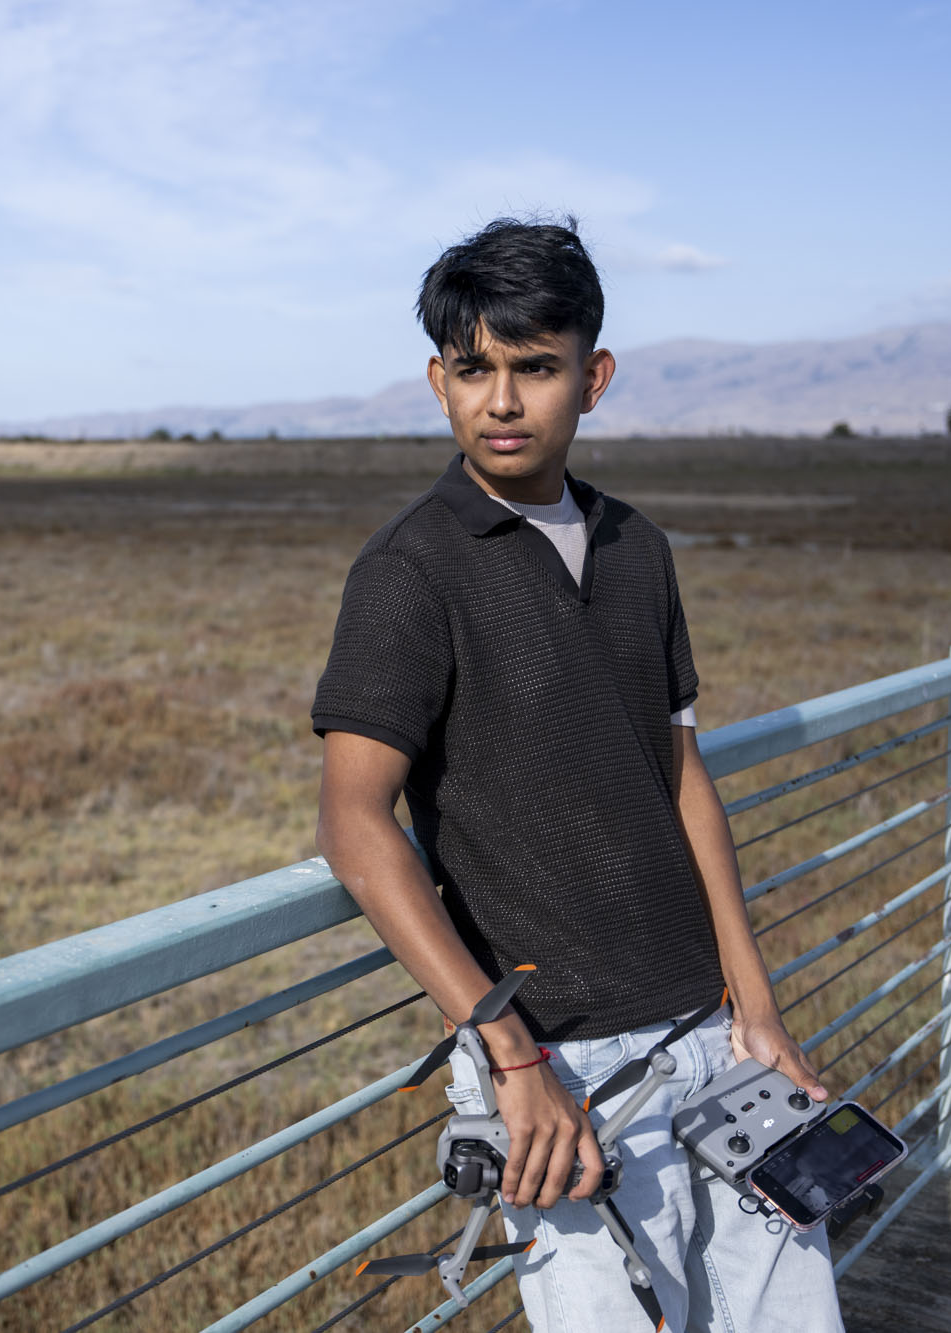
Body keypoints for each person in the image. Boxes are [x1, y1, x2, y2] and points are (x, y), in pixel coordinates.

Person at [312, 217, 844, 1331]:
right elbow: (355, 825)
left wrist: (755, 1004)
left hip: (710, 1029)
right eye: (473, 370)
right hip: (560, 1064)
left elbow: (681, 776)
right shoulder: (408, 570)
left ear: (592, 378)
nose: (501, 401)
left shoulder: (636, 546)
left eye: (535, 368)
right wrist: (508, 1054)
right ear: (438, 382)